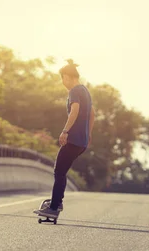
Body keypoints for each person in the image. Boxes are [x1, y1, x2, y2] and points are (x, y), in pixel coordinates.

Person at [35, 59, 94, 217]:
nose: (62, 82)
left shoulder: (74, 91)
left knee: (59, 171)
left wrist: (65, 131)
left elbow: (75, 110)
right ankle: (56, 202)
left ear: (67, 76)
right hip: (81, 142)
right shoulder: (85, 91)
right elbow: (92, 114)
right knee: (62, 170)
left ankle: (54, 208)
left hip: (73, 139)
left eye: (62, 78)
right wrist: (89, 134)